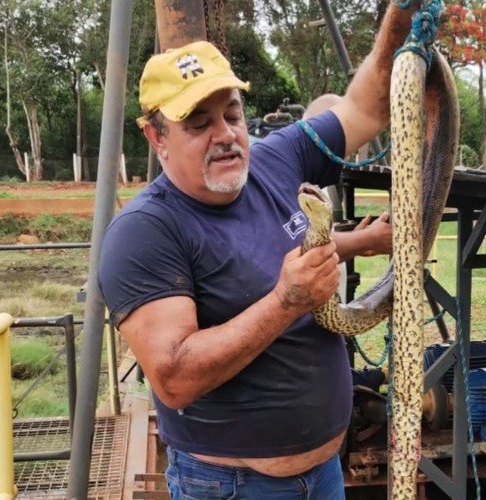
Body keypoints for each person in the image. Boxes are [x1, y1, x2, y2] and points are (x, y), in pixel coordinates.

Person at [98, 3, 415, 498]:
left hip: (326, 473)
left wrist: (400, 21)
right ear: (157, 136)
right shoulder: (144, 232)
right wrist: (286, 302)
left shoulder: (277, 157)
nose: (225, 135)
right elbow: (175, 378)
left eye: (232, 114)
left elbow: (364, 110)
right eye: (198, 123)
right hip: (233, 486)